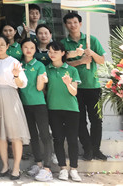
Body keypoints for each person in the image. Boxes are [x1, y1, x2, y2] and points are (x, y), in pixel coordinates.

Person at [61, 12, 107, 160]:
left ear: (80, 23)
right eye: (69, 23)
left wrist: (91, 53)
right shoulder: (64, 44)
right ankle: (87, 149)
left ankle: (96, 149)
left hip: (93, 86)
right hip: (74, 88)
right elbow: (62, 64)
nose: (72, 25)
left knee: (96, 120)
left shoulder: (91, 40)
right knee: (80, 120)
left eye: (75, 22)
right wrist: (80, 61)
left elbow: (102, 61)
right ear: (66, 25)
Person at [0, 35, 29, 179]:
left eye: (2, 44)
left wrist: (16, 76)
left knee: (15, 134)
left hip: (10, 96)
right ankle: (5, 166)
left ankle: (16, 168)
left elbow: (22, 84)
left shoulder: (14, 62)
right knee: (0, 134)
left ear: (8, 46)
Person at [46, 40, 82, 182]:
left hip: (71, 109)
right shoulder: (46, 69)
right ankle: (62, 168)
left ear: (62, 53)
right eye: (50, 51)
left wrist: (68, 84)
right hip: (53, 109)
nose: (52, 54)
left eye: (55, 52)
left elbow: (74, 92)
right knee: (58, 139)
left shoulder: (72, 70)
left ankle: (73, 169)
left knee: (72, 139)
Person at [19, 38, 53, 182]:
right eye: (26, 47)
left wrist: (42, 80)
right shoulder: (19, 64)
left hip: (39, 104)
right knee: (32, 135)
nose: (28, 50)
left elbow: (40, 88)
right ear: (21, 49)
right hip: (24, 105)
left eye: (32, 47)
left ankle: (47, 168)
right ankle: (38, 164)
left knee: (44, 135)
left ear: (35, 50)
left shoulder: (39, 65)